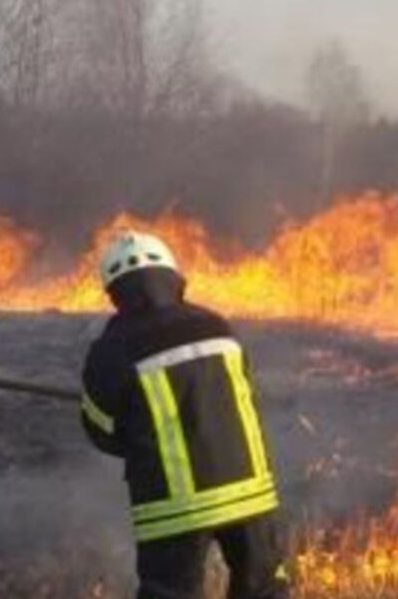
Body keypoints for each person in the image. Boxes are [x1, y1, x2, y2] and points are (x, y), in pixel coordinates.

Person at [80, 231, 292, 599]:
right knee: (264, 590)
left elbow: (100, 429)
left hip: (175, 508)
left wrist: (139, 436)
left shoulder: (112, 348)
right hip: (251, 491)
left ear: (114, 291)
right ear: (172, 275)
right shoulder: (217, 326)